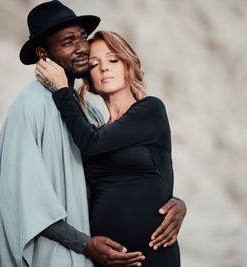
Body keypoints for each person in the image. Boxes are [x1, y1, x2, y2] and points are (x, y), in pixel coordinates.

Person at [0, 1, 186, 267]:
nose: (81, 47)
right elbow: (21, 197)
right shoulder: (30, 105)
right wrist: (85, 243)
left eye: (82, 38)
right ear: (43, 53)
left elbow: (135, 177)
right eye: (69, 41)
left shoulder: (90, 113)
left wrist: (178, 203)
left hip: (118, 257)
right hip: (58, 254)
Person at [35, 30, 181, 266]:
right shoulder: (95, 127)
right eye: (94, 64)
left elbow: (92, 144)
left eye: (113, 60)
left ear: (127, 64)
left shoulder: (150, 110)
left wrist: (62, 91)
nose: (104, 68)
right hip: (104, 260)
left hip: (152, 255)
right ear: (89, 78)